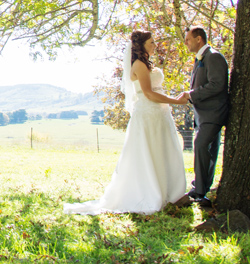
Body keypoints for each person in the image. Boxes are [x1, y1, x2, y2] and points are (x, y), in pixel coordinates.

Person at [64, 31, 189, 214]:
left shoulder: (147, 64)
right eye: (152, 42)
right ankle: (150, 193)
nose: (155, 45)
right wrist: (176, 100)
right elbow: (148, 93)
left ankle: (169, 192)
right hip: (148, 115)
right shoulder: (138, 65)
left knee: (162, 150)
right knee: (149, 152)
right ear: (142, 46)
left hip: (159, 113)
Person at [180, 26, 229, 208]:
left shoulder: (214, 56)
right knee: (208, 150)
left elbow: (217, 85)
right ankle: (201, 188)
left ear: (199, 39)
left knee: (201, 146)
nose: (186, 43)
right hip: (204, 114)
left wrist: (191, 94)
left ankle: (199, 192)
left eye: (188, 39)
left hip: (213, 113)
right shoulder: (201, 58)